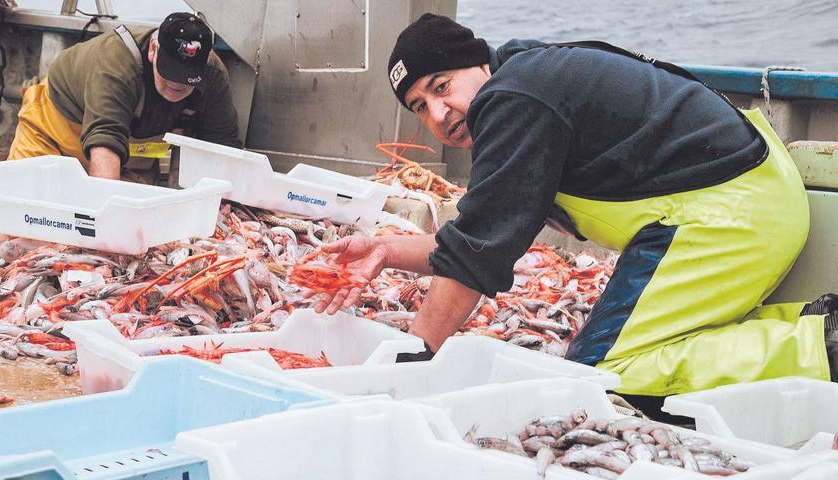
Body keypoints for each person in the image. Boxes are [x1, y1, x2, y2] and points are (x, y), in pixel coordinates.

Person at [307, 13, 838, 398]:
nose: (441, 114)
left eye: (443, 87)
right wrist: (384, 250)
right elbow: (487, 233)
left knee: (603, 369)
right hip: (743, 197)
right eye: (421, 107)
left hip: (724, 215)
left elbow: (476, 254)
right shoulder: (524, 80)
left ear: (476, 64)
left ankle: (824, 348)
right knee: (624, 350)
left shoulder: (513, 100)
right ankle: (812, 323)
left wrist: (409, 361)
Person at [8, 12, 241, 184]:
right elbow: (105, 139)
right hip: (53, 133)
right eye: (170, 72)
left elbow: (223, 148)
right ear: (153, 49)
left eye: (188, 78)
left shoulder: (213, 75)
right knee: (22, 208)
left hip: (123, 155)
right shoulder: (117, 64)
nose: (177, 84)